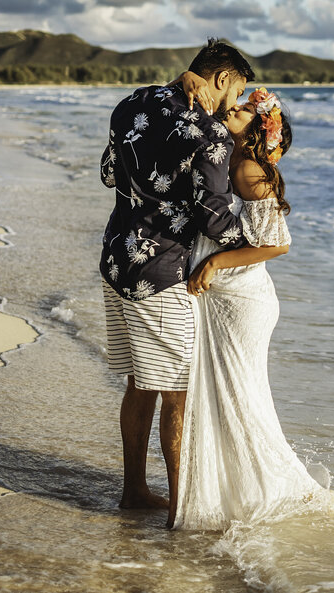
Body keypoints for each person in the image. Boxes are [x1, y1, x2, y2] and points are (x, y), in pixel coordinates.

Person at [99, 38, 254, 529]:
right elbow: (214, 219)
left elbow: (108, 172)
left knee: (139, 384)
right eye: (238, 92)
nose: (235, 106)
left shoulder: (132, 103)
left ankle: (134, 491)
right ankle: (184, 507)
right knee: (178, 392)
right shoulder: (210, 133)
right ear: (224, 78)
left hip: (117, 259)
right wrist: (253, 240)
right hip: (161, 273)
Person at [174, 86, 334, 530]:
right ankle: (237, 494)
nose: (238, 107)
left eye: (248, 110)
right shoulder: (226, 156)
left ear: (255, 133)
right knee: (229, 400)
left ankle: (281, 491)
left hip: (242, 300)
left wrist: (216, 261)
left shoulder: (247, 168)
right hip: (225, 295)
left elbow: (278, 243)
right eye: (241, 102)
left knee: (241, 399)